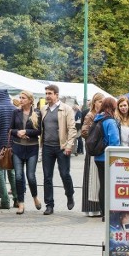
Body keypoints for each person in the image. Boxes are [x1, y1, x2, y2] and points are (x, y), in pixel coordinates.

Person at [40, 84, 77, 215]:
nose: (47, 96)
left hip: (62, 147)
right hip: (47, 147)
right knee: (47, 177)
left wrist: (69, 145)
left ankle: (70, 194)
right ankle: (49, 205)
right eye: (46, 93)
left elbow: (72, 129)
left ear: (56, 95)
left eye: (50, 93)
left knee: (64, 174)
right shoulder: (44, 109)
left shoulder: (66, 109)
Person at [10, 90, 42, 215]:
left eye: (23, 98)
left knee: (31, 176)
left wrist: (26, 132)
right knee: (18, 176)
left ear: (30, 100)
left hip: (32, 148)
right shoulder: (15, 112)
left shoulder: (36, 113)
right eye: (20, 97)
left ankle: (35, 197)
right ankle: (21, 203)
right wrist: (17, 133)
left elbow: (39, 131)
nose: (21, 100)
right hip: (18, 148)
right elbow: (11, 129)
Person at [92, 97, 120, 220]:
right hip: (107, 157)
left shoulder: (98, 118)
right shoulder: (110, 121)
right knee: (108, 185)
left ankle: (103, 211)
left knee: (102, 185)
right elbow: (114, 141)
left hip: (98, 157)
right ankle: (107, 213)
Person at [80, 92, 104, 216]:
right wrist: (94, 139)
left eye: (102, 101)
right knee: (91, 179)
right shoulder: (90, 115)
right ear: (94, 102)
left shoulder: (102, 115)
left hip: (98, 149)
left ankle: (98, 207)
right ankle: (91, 208)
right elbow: (83, 132)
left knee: (98, 180)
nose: (101, 103)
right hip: (92, 150)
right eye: (99, 101)